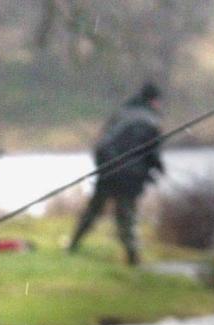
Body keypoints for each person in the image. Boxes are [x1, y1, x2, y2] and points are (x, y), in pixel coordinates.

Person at [67, 82, 166, 266]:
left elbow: (102, 144)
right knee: (127, 216)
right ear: (154, 101)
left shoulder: (121, 114)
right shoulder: (151, 121)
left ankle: (73, 244)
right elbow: (153, 154)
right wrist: (158, 170)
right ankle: (133, 258)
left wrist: (103, 167)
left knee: (93, 210)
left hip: (108, 170)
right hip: (130, 177)